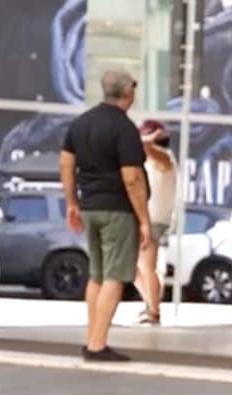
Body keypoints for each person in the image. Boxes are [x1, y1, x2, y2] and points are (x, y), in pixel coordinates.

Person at [59, 70, 151, 362]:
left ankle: (92, 338)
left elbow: (65, 165)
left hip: (90, 207)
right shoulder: (123, 128)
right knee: (115, 275)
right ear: (128, 94)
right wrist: (144, 220)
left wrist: (72, 203)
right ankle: (97, 345)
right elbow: (132, 177)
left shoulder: (80, 123)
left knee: (96, 275)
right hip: (117, 210)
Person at [134, 120, 178, 325]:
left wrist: (149, 138)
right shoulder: (154, 161)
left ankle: (153, 310)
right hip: (148, 219)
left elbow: (141, 145)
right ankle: (151, 304)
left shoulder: (164, 158)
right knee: (137, 268)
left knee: (146, 266)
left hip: (154, 220)